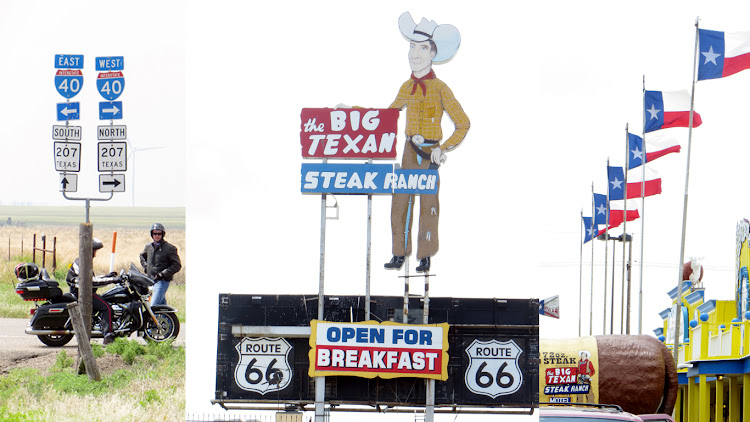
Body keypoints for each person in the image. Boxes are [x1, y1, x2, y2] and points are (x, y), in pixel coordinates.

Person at [383, 12, 470, 273]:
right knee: (400, 202)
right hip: (409, 151)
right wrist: (353, 112)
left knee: (428, 205)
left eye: (421, 48)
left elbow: (463, 123)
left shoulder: (442, 88)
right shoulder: (405, 87)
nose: (415, 54)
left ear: (432, 53)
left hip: (431, 152)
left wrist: (443, 149)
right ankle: (399, 252)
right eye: (412, 47)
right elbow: (385, 116)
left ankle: (426, 255)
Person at [66, 237, 117, 345]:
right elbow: (91, 282)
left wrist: (107, 276)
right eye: (94, 250)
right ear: (89, 250)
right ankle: (108, 336)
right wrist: (113, 280)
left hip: (83, 292)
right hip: (83, 294)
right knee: (106, 307)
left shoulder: (82, 260)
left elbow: (92, 279)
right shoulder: (82, 263)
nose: (95, 253)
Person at [140, 223, 182, 306]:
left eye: (159, 234)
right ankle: (169, 318)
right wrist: (146, 268)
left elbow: (177, 265)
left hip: (162, 281)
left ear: (163, 234)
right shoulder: (149, 246)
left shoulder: (170, 248)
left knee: (153, 306)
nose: (157, 236)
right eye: (154, 233)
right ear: (152, 234)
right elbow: (142, 256)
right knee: (162, 307)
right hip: (151, 280)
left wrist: (163, 274)